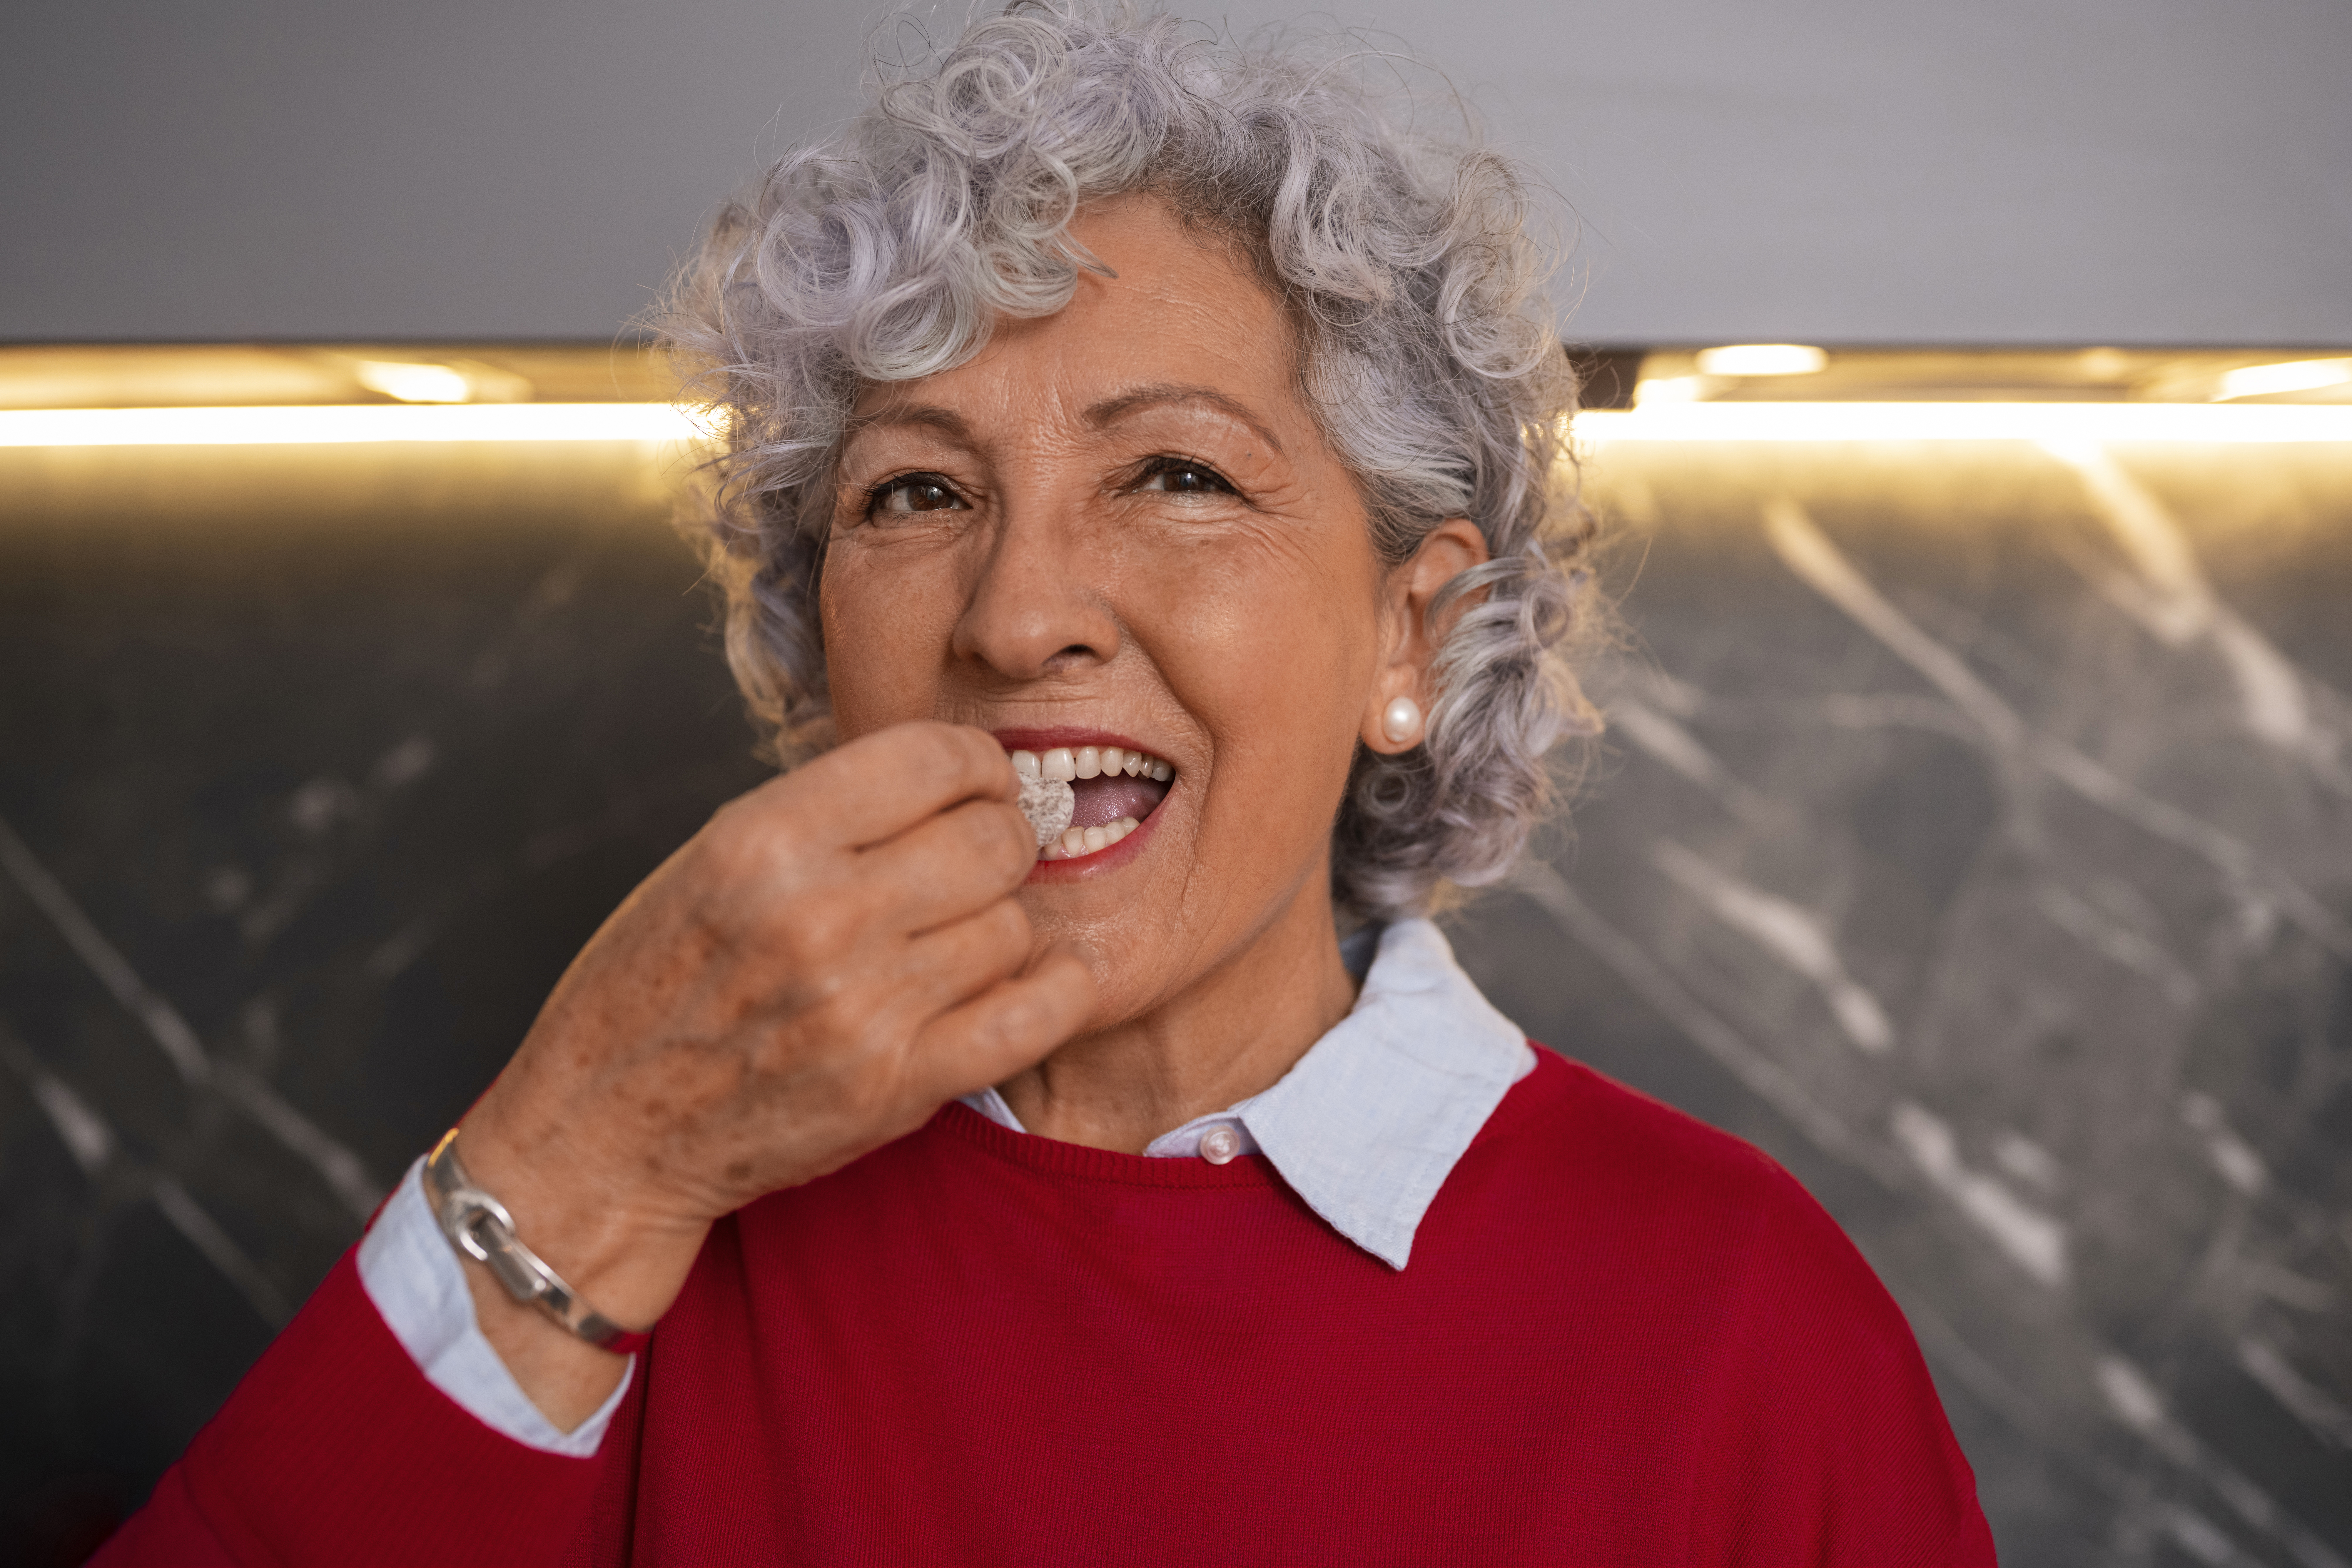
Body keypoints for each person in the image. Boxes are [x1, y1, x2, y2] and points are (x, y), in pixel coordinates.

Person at [97, 4, 1995, 1562]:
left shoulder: (1739, 1324)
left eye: (1175, 473)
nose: (1017, 615)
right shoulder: (623, 1230)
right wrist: (592, 1147)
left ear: (1411, 637)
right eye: (917, 491)